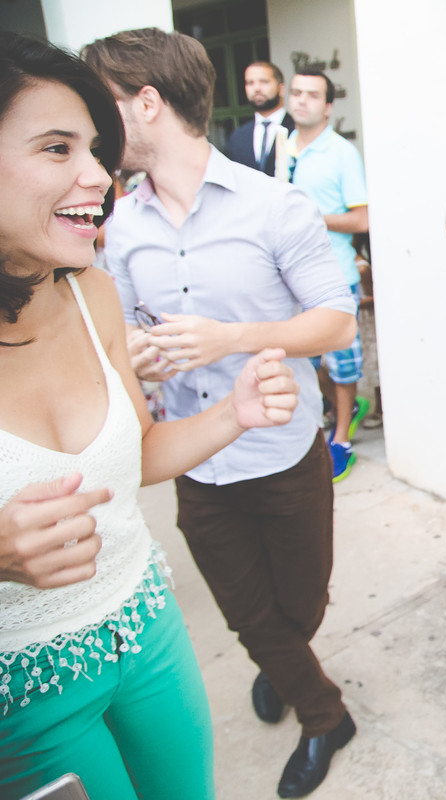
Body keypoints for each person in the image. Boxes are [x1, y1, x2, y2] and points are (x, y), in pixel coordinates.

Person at [0, 32, 300, 799]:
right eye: (57, 148)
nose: (97, 177)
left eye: (97, 150)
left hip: (147, 631)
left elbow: (132, 460)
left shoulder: (89, 288)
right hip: (22, 695)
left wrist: (234, 414)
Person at [82, 28, 359, 798]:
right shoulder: (122, 224)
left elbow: (337, 321)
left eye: (101, 104)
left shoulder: (276, 206)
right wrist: (131, 351)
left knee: (295, 607)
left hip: (282, 454)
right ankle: (323, 714)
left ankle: (284, 659)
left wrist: (232, 338)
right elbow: (128, 328)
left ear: (146, 102)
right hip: (195, 462)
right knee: (244, 610)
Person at [287, 67, 371, 482]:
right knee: (303, 359)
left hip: (334, 277)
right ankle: (339, 411)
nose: (302, 100)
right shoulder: (281, 148)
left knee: (342, 364)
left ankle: (341, 439)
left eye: (312, 95)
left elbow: (362, 221)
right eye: (297, 92)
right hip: (289, 277)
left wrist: (312, 217)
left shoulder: (340, 153)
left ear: (328, 106)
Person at [225, 61, 294, 176]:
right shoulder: (237, 137)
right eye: (250, 83)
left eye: (264, 82)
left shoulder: (297, 130)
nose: (256, 88)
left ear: (281, 89)